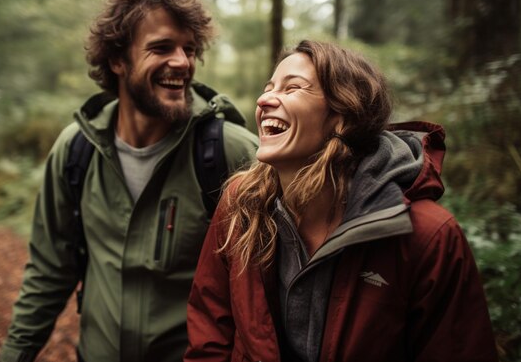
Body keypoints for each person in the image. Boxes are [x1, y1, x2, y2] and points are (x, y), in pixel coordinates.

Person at [0, 0, 258, 362]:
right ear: (118, 60)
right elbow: (50, 271)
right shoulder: (76, 151)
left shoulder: (230, 153)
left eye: (189, 50)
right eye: (161, 48)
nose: (183, 62)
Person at [185, 40, 498, 362]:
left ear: (342, 116)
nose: (264, 99)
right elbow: (210, 332)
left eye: (292, 89)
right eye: (268, 88)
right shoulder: (240, 206)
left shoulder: (428, 236)